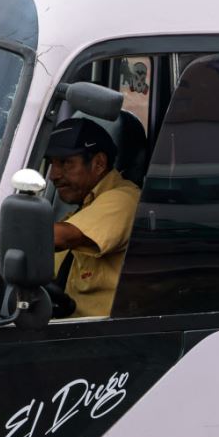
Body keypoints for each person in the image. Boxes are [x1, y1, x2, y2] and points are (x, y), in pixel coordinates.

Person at [45, 116, 138, 318]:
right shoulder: (79, 214)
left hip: (106, 341)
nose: (53, 175)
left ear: (98, 163)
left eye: (65, 163)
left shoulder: (123, 199)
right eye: (52, 163)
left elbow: (59, 238)